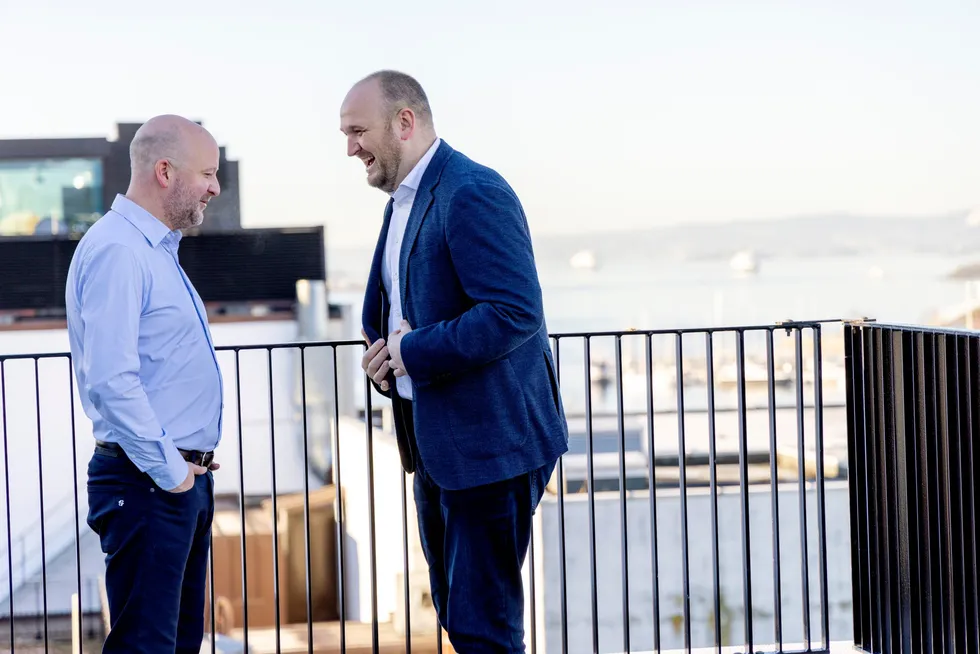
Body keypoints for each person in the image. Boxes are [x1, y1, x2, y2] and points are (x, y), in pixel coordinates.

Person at [340, 70, 569, 652]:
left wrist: (410, 350)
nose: (351, 148)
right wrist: (385, 357)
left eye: (358, 131)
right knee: (457, 615)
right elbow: (398, 307)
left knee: (482, 626)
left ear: (405, 122)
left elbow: (513, 312)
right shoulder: (405, 202)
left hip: (490, 449)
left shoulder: (472, 191)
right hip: (438, 445)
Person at [65, 114, 224, 654]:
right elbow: (111, 379)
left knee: (176, 643)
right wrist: (172, 469)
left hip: (172, 479)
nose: (215, 186)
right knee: (147, 646)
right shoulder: (119, 250)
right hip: (150, 481)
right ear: (164, 171)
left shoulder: (153, 249)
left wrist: (185, 470)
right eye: (206, 172)